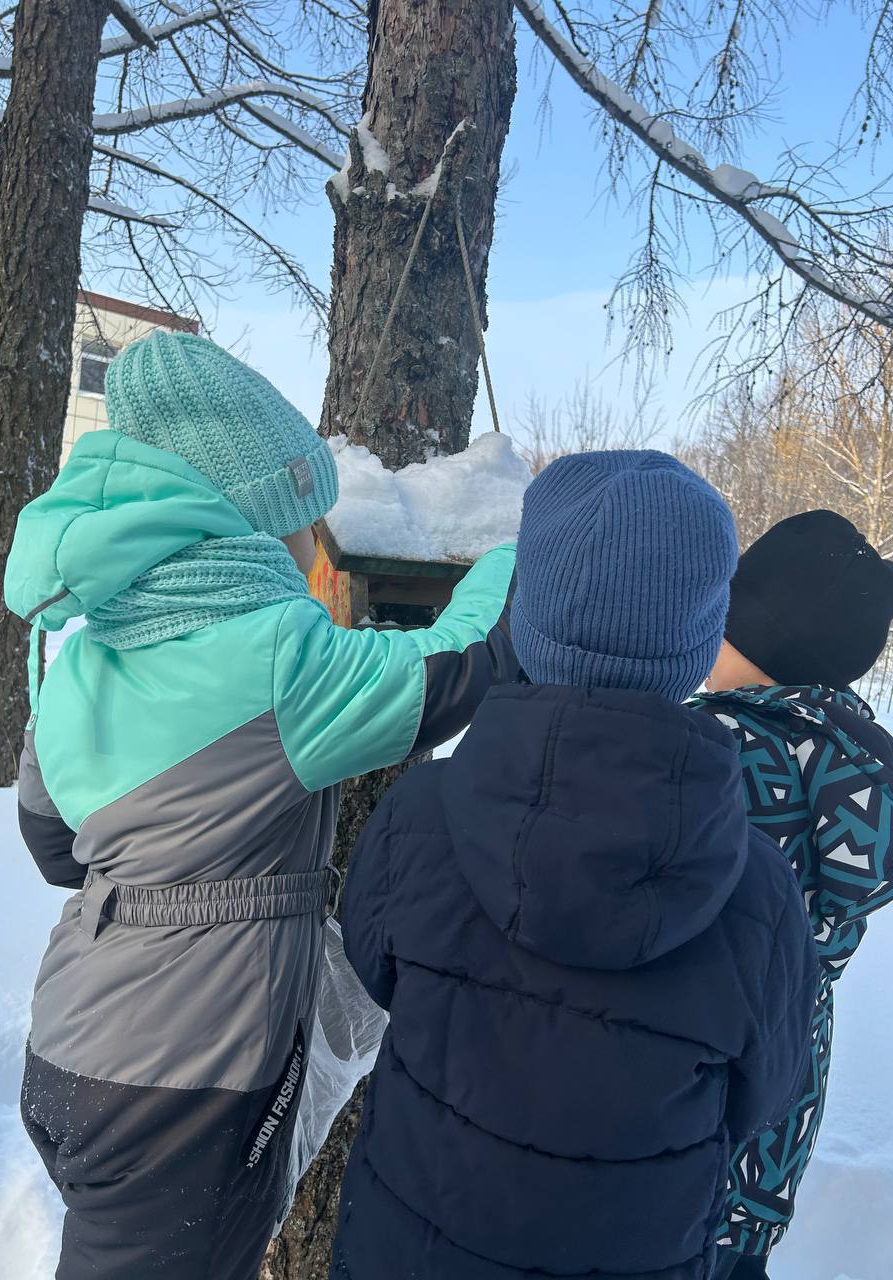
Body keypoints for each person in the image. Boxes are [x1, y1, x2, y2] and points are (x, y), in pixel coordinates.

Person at [5, 331, 518, 1280]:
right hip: (184, 1080)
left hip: (74, 1039)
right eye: (302, 522)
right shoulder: (281, 656)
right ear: (248, 524)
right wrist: (509, 561)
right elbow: (454, 670)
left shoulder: (81, 653)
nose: (314, 547)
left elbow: (52, 844)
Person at [330, 451, 820, 1280]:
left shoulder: (420, 816)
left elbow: (371, 968)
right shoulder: (760, 895)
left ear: (526, 617)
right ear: (701, 644)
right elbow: (765, 1095)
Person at [691, 510, 893, 1280]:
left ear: (761, 634)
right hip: (778, 1107)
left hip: (683, 1097)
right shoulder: (851, 761)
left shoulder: (723, 749)